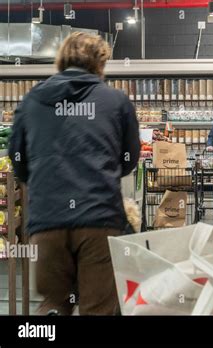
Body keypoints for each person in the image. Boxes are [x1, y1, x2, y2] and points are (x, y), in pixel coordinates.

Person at [8, 32, 140, 315]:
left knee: (53, 305)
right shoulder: (116, 101)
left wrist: (47, 183)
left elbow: (18, 161)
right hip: (99, 218)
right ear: (100, 63)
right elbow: (129, 160)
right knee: (98, 307)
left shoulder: (31, 100)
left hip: (47, 222)